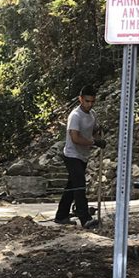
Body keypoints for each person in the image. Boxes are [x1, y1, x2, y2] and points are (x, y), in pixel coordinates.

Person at [54, 85, 105, 227]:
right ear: (80, 99)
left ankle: (61, 216)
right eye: (87, 101)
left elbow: (92, 130)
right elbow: (75, 138)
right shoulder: (75, 116)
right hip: (72, 155)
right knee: (79, 186)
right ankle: (85, 219)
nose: (90, 104)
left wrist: (98, 131)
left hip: (83, 155)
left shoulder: (92, 114)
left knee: (71, 187)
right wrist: (94, 142)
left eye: (92, 101)